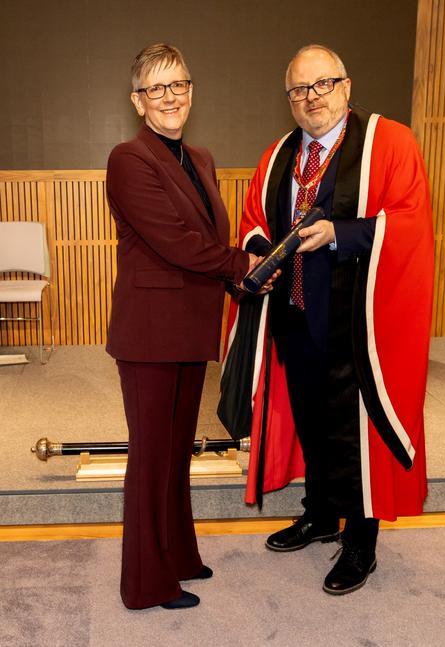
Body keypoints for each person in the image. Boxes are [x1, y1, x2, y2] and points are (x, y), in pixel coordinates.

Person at [219, 44, 434, 595]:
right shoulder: (277, 156)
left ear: (346, 84)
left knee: (353, 433)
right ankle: (320, 515)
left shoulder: (391, 143)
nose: (311, 98)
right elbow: (253, 223)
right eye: (298, 89)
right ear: (288, 98)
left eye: (322, 85)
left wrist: (341, 233)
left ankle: (361, 542)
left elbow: (409, 224)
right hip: (293, 314)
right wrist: (261, 251)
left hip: (357, 322)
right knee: (311, 418)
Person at [106, 43, 260, 610]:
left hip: (192, 329)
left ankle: (177, 557)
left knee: (176, 453)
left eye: (178, 85)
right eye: (156, 88)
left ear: (191, 92)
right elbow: (176, 241)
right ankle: (144, 584)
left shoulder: (201, 157)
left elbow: (209, 240)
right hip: (149, 333)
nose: (169, 97)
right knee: (151, 457)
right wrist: (241, 266)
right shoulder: (128, 158)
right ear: (138, 101)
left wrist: (242, 264)